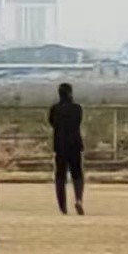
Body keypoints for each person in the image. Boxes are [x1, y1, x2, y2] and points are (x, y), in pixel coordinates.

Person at [49, 83, 85, 215]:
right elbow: (78, 121)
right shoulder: (77, 108)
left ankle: (62, 206)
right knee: (77, 173)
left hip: (60, 145)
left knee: (60, 175)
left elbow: (52, 123)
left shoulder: (55, 109)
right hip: (75, 144)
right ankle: (78, 199)